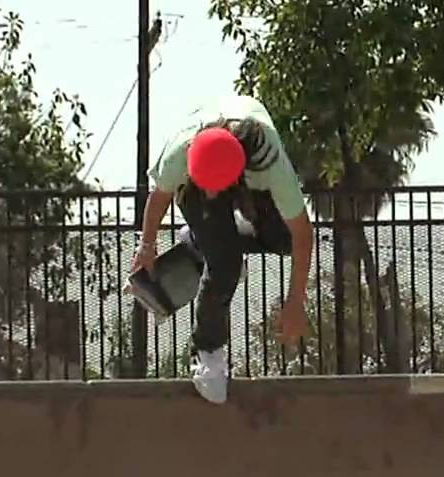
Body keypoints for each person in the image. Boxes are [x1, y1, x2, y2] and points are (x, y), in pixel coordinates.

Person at [133, 94, 313, 404]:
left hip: (248, 176)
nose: (213, 192)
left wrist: (296, 301)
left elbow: (301, 234)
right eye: (209, 185)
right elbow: (159, 198)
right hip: (192, 181)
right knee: (225, 264)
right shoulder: (180, 154)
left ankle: (206, 241)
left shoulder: (269, 160)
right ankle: (208, 351)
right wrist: (146, 246)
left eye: (218, 186)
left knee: (282, 239)